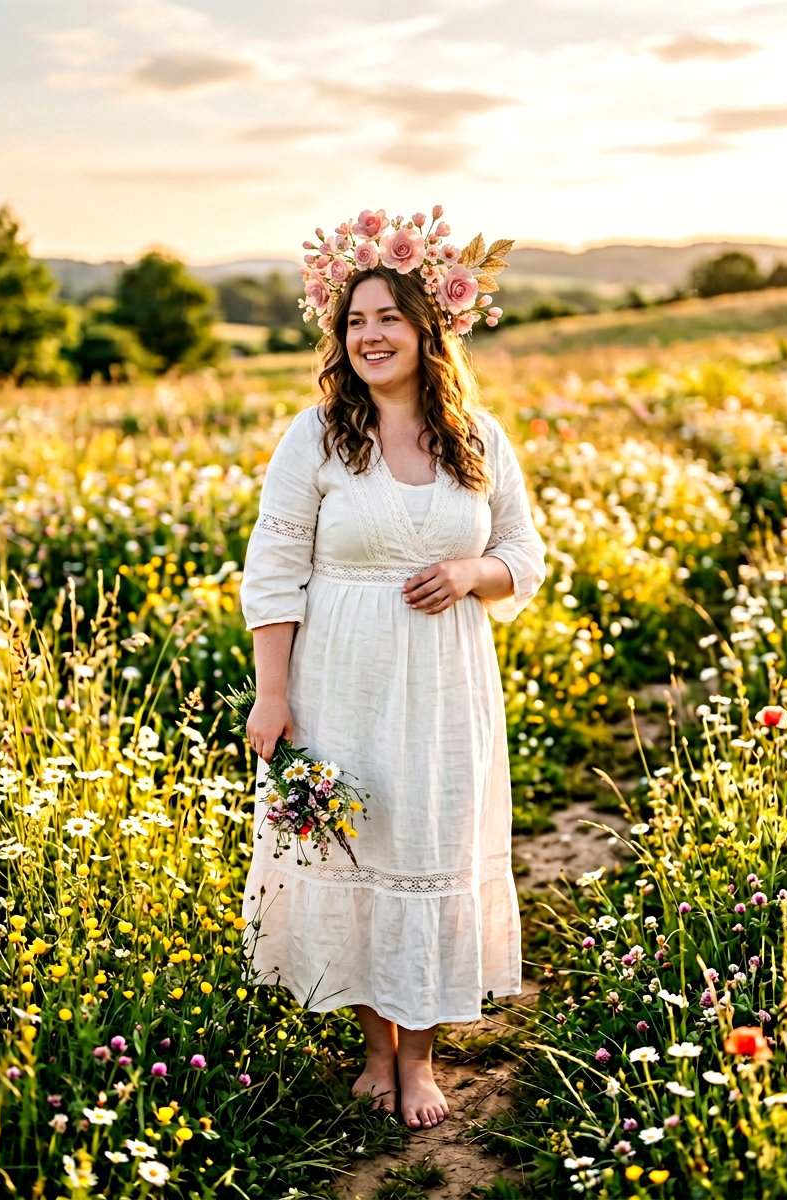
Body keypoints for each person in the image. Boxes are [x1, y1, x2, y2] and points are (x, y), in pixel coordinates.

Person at [238, 207, 547, 1131]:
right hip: (343, 677)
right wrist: (273, 692)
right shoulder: (320, 437)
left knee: (432, 849)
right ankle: (375, 1050)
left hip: (448, 684)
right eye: (356, 321)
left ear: (429, 329)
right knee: (358, 847)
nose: (371, 336)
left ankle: (419, 1058)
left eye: (390, 319)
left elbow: (525, 557)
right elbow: (274, 568)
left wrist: (469, 573)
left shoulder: (480, 438)